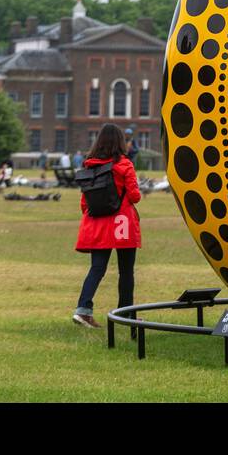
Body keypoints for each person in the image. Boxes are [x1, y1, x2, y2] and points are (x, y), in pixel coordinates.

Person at [72, 122, 141, 328]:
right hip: (122, 223)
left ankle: (83, 310)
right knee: (126, 271)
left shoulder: (89, 166)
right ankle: (126, 314)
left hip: (97, 223)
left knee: (97, 269)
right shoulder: (125, 165)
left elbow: (84, 203)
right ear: (121, 142)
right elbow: (135, 196)